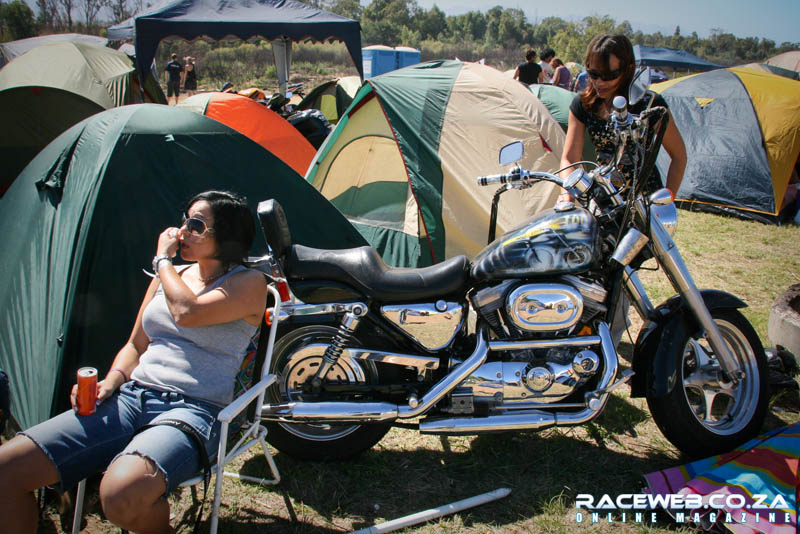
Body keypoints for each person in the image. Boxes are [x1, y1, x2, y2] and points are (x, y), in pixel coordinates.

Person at [0, 191, 268, 534]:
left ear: (227, 234)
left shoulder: (249, 283)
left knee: (121, 496)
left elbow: (187, 312)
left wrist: (162, 260)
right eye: (184, 220)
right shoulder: (169, 277)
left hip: (194, 410)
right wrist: (112, 381)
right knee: (8, 470)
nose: (182, 230)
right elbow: (135, 345)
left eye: (196, 224)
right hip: (132, 397)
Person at [559, 34, 686, 200]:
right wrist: (567, 194)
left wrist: (667, 200)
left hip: (645, 202)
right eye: (594, 74)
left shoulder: (650, 104)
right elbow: (569, 158)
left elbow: (679, 156)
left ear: (628, 69)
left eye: (609, 76)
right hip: (605, 201)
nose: (600, 82)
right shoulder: (583, 104)